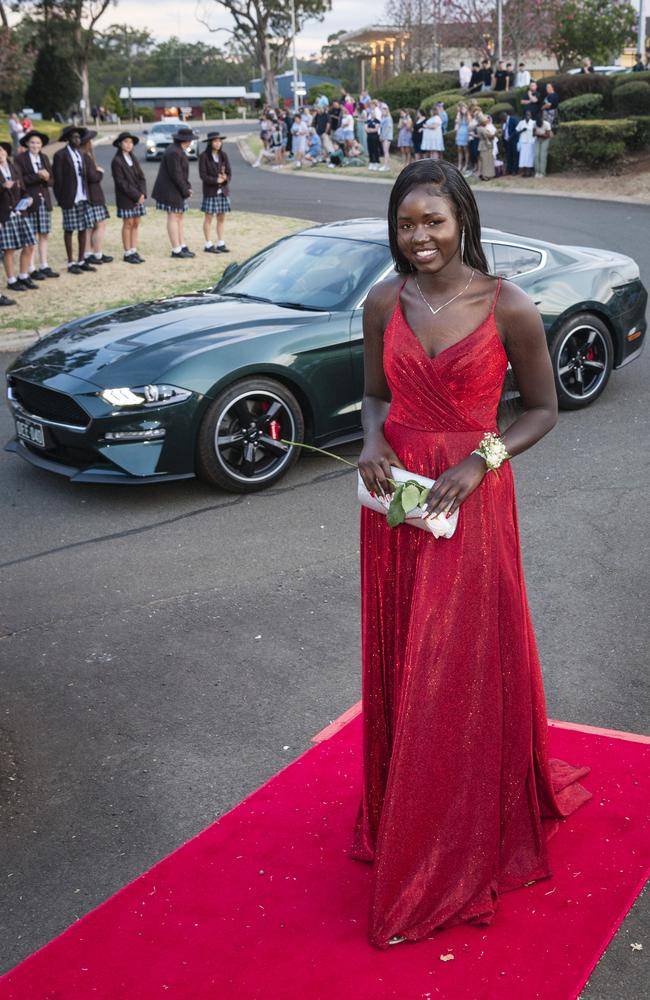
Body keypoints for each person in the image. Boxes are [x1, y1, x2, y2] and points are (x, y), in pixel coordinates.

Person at [353, 157, 592, 949]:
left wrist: (478, 460)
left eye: (433, 221)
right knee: (405, 652)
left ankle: (453, 834)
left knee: (454, 660)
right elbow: (376, 395)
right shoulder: (383, 300)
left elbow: (545, 409)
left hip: (471, 498)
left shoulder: (509, 305)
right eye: (406, 224)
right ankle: (406, 804)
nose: (418, 237)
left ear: (463, 219)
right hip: (397, 505)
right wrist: (368, 444)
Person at [14, 130, 59, 280]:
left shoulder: (44, 157)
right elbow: (20, 180)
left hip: (44, 201)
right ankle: (32, 268)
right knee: (31, 236)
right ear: (27, 143)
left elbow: (52, 181)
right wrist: (37, 176)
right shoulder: (20, 159)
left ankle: (44, 265)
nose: (35, 145)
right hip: (29, 201)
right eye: (32, 142)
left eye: (38, 143)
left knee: (44, 234)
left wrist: (46, 178)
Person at [52, 125, 95, 274]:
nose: (77, 139)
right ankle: (71, 262)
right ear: (67, 139)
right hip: (69, 198)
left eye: (78, 137)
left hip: (83, 196)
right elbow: (57, 180)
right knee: (69, 230)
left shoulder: (80, 154)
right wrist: (61, 199)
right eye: (74, 137)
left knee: (83, 228)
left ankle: (81, 259)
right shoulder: (60, 155)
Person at [151, 125, 196, 259]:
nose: (191, 142)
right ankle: (176, 249)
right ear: (186, 140)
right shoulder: (174, 152)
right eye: (190, 140)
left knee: (179, 217)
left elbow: (182, 174)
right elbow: (176, 174)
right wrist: (186, 190)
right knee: (173, 217)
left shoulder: (178, 150)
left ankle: (182, 245)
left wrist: (187, 187)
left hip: (176, 189)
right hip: (169, 190)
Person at [0, 141, 37, 294]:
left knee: (30, 244)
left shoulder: (14, 168)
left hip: (20, 211)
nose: (0, 154)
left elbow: (23, 188)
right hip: (4, 214)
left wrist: (28, 198)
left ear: (6, 153)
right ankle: (11, 280)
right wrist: (2, 187)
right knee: (9, 250)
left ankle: (23, 275)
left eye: (1, 151)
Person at [111, 131, 147, 265]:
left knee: (136, 223)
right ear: (120, 144)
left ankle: (133, 249)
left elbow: (141, 177)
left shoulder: (133, 158)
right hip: (126, 197)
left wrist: (142, 193)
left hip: (138, 196)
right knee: (128, 224)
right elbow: (121, 183)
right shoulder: (117, 161)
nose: (129, 144)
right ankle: (127, 252)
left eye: (131, 142)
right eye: (126, 142)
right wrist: (136, 195)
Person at [80, 130, 113, 267]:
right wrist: (99, 172)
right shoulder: (86, 156)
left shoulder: (82, 156)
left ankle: (89, 253)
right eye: (90, 141)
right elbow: (93, 177)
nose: (92, 143)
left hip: (89, 195)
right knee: (99, 225)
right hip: (93, 195)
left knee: (91, 226)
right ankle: (95, 253)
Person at [198, 131, 232, 254]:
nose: (218, 143)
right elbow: (203, 175)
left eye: (219, 141)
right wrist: (215, 180)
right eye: (215, 141)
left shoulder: (224, 155)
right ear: (210, 143)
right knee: (208, 218)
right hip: (210, 191)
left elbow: (229, 172)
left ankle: (221, 243)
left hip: (223, 191)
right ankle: (208, 244)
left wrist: (225, 178)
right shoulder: (204, 156)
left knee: (221, 217)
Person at [516, 109, 536, 177]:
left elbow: (535, 132)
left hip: (531, 142)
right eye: (526, 114)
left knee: (530, 157)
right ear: (524, 115)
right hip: (523, 142)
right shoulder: (521, 122)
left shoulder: (533, 122)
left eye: (529, 114)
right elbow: (517, 131)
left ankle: (529, 172)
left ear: (531, 115)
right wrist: (522, 130)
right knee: (523, 157)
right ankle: (524, 172)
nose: (528, 115)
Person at [477, 112, 496, 180]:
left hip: (482, 145)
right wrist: (495, 134)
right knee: (486, 161)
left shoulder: (479, 128)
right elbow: (489, 136)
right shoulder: (483, 129)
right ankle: (485, 175)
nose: (486, 122)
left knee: (484, 160)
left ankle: (483, 174)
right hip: (485, 145)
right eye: (485, 121)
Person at [534, 110, 552, 177]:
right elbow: (533, 134)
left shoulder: (547, 124)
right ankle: (537, 172)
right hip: (538, 139)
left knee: (542, 156)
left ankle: (542, 172)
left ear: (542, 121)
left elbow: (548, 135)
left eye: (540, 125)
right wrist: (536, 134)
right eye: (538, 125)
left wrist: (541, 134)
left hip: (545, 140)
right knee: (536, 155)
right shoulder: (535, 124)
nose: (539, 126)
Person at [503, 108, 521, 175]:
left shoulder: (513, 119)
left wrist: (510, 137)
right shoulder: (504, 122)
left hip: (514, 140)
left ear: (505, 115)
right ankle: (509, 170)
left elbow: (517, 130)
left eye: (502, 118)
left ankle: (515, 170)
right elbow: (505, 131)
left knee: (515, 155)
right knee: (509, 156)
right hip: (507, 142)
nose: (502, 120)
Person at [454, 101, 470, 173]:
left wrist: (466, 114)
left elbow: (469, 124)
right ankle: (459, 165)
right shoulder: (459, 115)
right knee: (459, 149)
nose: (463, 110)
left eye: (464, 108)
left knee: (465, 149)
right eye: (462, 108)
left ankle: (466, 165)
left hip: (466, 132)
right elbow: (457, 124)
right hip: (460, 132)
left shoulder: (468, 115)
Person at [379, 106, 394, 171]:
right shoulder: (384, 118)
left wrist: (383, 136)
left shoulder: (388, 118)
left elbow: (388, 128)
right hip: (384, 136)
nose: (382, 112)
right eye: (382, 111)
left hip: (387, 137)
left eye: (383, 111)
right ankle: (386, 165)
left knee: (386, 151)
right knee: (385, 151)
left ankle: (385, 166)